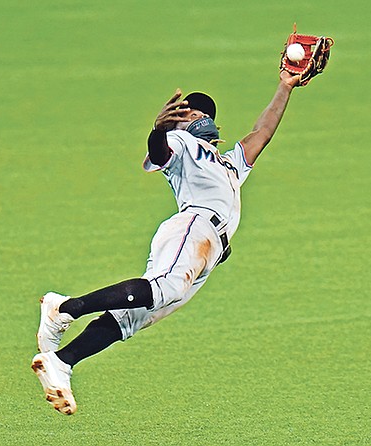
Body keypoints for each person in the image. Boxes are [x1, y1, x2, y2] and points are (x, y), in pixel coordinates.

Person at [31, 70, 303, 415]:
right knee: (167, 287)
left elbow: (261, 133)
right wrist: (159, 129)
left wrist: (285, 85)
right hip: (192, 227)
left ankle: (62, 363)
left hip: (208, 249)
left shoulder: (228, 163)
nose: (201, 115)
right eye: (192, 112)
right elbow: (159, 155)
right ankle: (64, 308)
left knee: (137, 315)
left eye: (204, 113)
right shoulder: (180, 143)